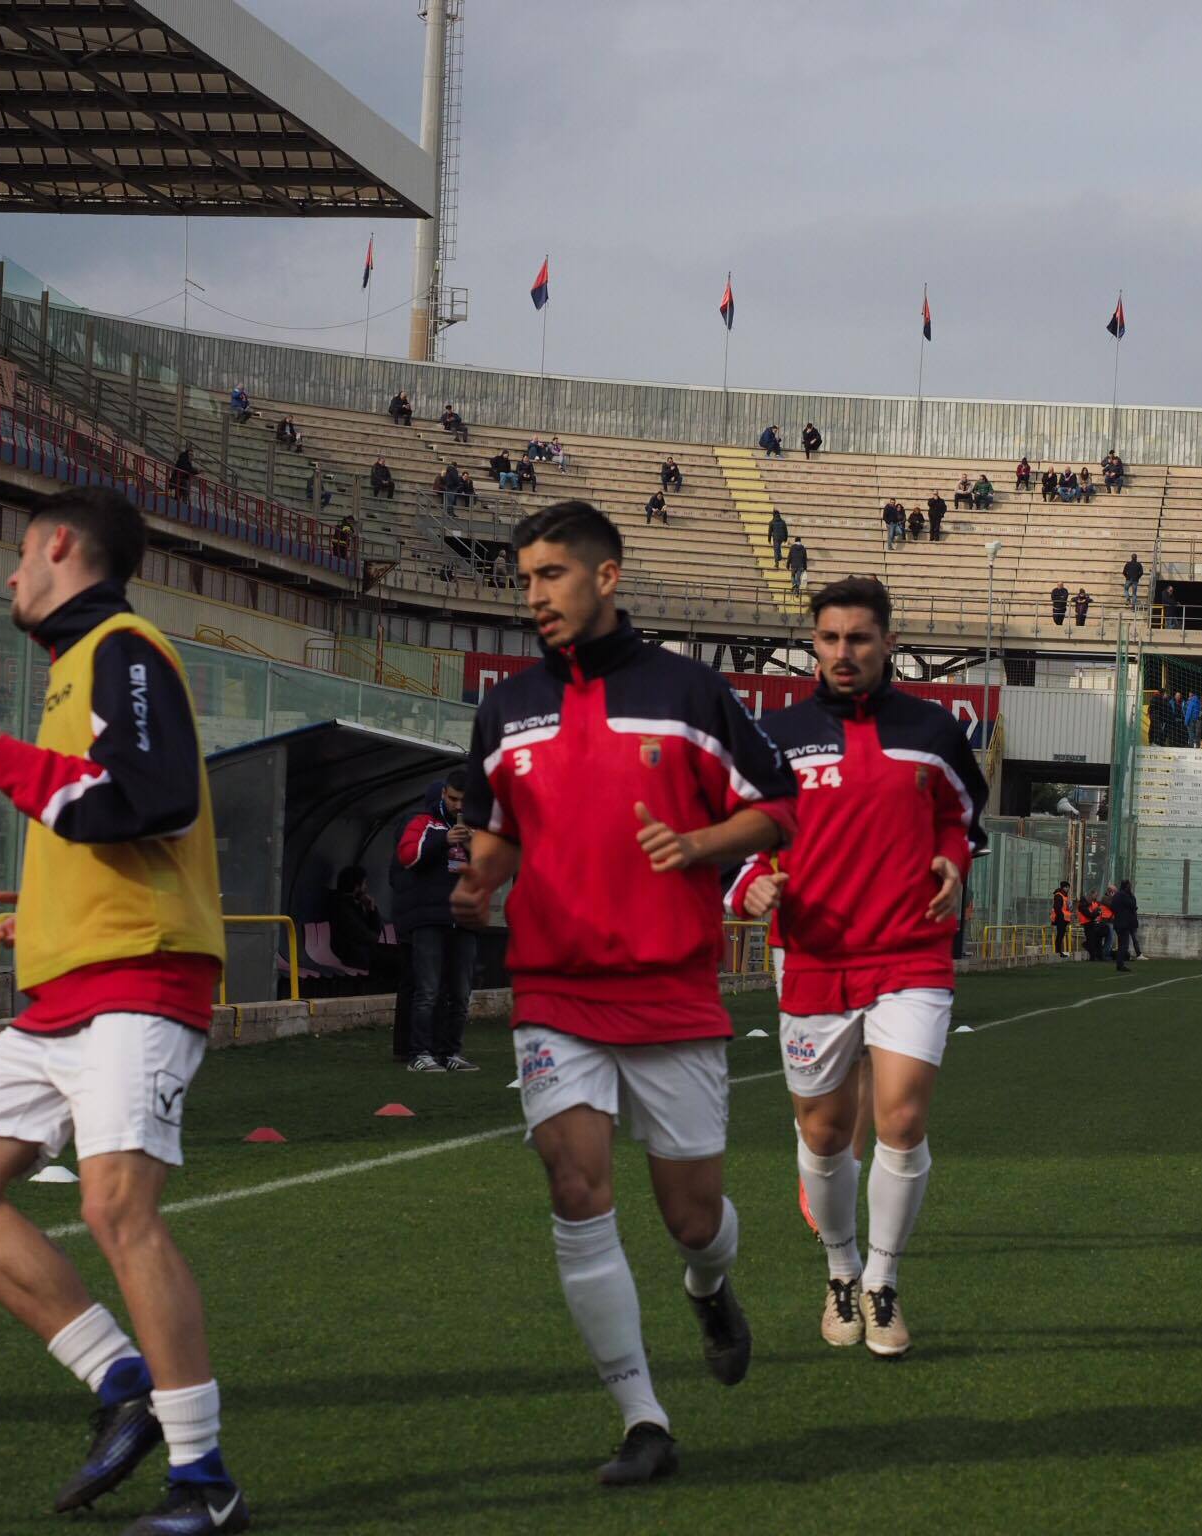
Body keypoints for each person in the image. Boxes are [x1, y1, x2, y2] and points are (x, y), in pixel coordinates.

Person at [0, 486, 249, 1532]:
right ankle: (121, 1382)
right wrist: (45, 913)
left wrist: (0, 759)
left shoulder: (123, 648)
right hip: (71, 990)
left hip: (140, 982)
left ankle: (206, 1482)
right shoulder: (75, 665)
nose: (12, 576)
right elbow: (103, 816)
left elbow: (155, 799)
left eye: (20, 555)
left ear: (61, 544)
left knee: (115, 1208)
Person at [453, 500, 797, 1486]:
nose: (534, 596)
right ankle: (642, 1418)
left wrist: (698, 843)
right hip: (554, 991)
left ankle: (709, 1283)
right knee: (575, 1188)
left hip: (671, 990)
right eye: (524, 579)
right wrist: (480, 881)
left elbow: (776, 809)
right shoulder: (505, 708)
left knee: (692, 1217)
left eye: (551, 574)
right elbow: (498, 830)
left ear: (606, 576)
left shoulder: (690, 693)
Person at [725, 574, 986, 1357]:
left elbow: (962, 818)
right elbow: (739, 831)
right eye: (830, 638)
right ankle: (839, 1271)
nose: (844, 652)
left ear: (888, 642)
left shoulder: (934, 732)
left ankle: (881, 1282)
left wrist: (952, 861)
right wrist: (750, 882)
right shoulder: (775, 735)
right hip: (813, 957)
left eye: (859, 638)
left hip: (911, 949)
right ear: (815, 643)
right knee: (825, 1131)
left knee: (901, 1119)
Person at [393, 772, 478, 1073]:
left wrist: (473, 847)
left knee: (460, 993)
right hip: (429, 918)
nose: (458, 806)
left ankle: (451, 1051)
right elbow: (407, 856)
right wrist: (443, 840)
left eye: (464, 801)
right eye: (453, 799)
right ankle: (420, 1053)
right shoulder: (423, 822)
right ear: (443, 794)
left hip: (464, 920)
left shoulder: (477, 826)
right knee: (427, 990)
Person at [1109, 880, 1140, 971]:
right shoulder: (1126, 896)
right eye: (1129, 886)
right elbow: (1133, 905)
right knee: (1124, 945)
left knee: (1121, 944)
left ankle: (1120, 963)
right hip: (1125, 923)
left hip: (1118, 922)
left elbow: (1112, 907)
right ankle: (1120, 964)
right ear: (1127, 886)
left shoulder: (1117, 895)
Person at [1050, 882, 1071, 956]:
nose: (1068, 889)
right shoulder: (1059, 896)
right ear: (1064, 887)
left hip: (1064, 919)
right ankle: (1058, 952)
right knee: (1060, 935)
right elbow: (1057, 908)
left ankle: (1059, 951)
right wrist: (1062, 917)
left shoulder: (1064, 896)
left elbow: (1064, 908)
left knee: (1061, 935)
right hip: (1060, 919)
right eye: (1067, 887)